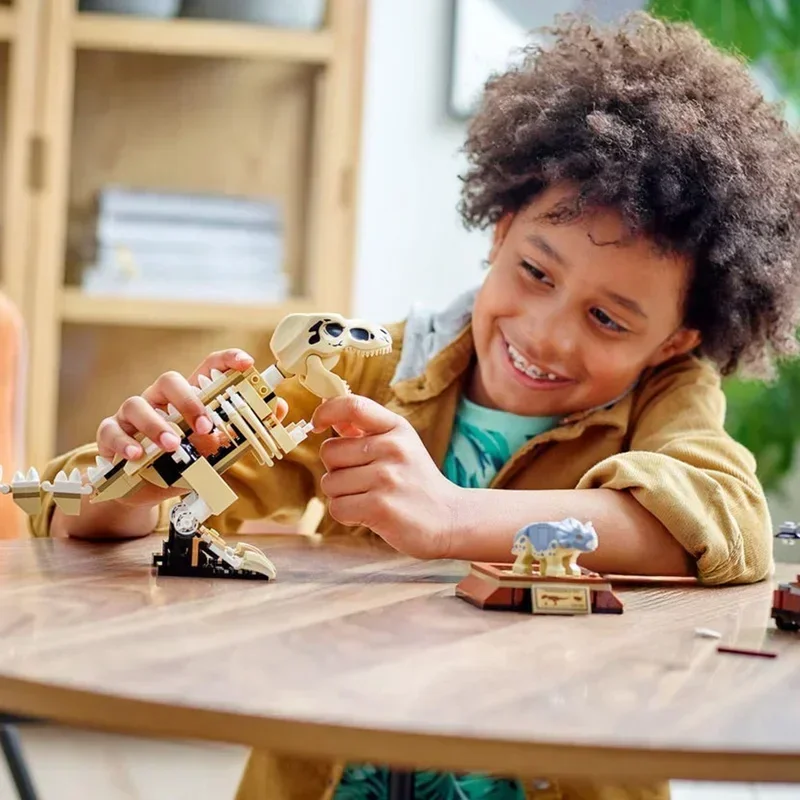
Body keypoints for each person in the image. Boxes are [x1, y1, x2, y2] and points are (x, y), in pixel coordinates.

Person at [28, 10, 800, 800]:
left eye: (607, 319)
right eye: (536, 272)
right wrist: (139, 485)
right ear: (500, 231)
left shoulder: (668, 398)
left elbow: (726, 523)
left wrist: (451, 516)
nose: (546, 333)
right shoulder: (368, 368)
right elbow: (65, 516)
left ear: (675, 340)